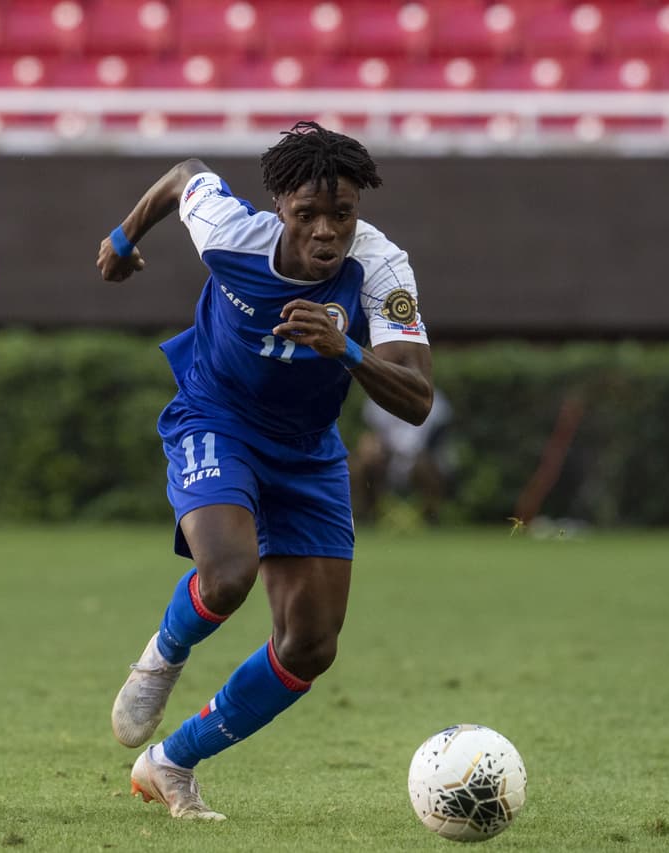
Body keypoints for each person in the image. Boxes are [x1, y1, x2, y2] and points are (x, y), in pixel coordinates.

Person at [97, 121, 434, 821]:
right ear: (278, 204)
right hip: (216, 418)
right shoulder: (230, 232)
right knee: (227, 574)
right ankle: (161, 656)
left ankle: (170, 763)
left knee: (310, 645)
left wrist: (346, 350)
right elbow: (184, 169)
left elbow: (417, 398)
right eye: (307, 214)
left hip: (309, 452)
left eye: (340, 214)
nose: (325, 232)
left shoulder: (382, 267)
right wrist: (126, 238)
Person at [349, 389, 454, 525]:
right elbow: (370, 437)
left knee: (427, 466)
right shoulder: (376, 397)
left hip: (422, 458)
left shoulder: (436, 402)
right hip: (387, 459)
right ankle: (365, 515)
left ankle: (431, 517)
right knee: (357, 465)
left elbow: (438, 444)